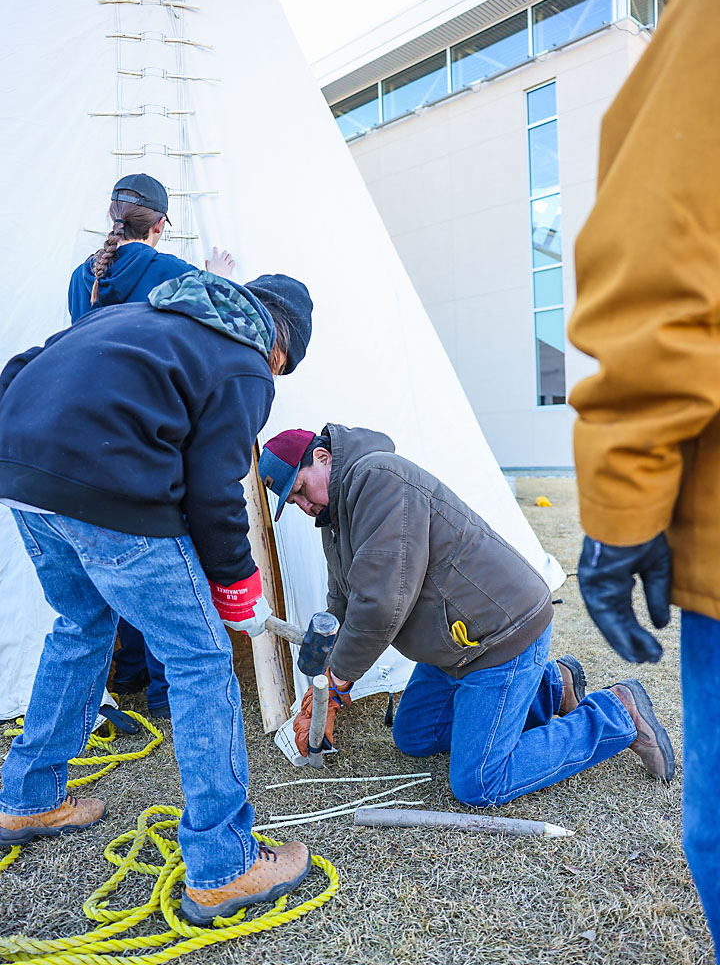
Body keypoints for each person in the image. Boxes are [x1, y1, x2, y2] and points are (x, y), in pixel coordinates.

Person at [0, 267, 313, 926]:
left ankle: (28, 798)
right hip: (111, 492)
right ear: (281, 347)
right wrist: (236, 585)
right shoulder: (246, 364)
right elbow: (213, 491)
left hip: (22, 473)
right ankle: (224, 867)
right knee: (199, 661)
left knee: (81, 625)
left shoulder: (135, 315)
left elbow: (27, 362)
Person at [258, 425, 675, 806]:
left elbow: (381, 603)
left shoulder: (377, 479)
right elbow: (342, 603)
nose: (302, 505)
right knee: (414, 735)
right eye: (292, 501)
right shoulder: (336, 520)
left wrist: (338, 680)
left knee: (479, 781)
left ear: (323, 457)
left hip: (499, 635)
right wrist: (323, 684)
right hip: (454, 647)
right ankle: (551, 685)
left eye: (299, 489)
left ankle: (616, 712)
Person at [566, 0, 720, 964]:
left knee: (479, 766)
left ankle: (604, 719)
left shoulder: (382, 495)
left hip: (481, 629)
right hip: (459, 638)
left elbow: (661, 258)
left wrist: (621, 513)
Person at [68, 172, 234, 717]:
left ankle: (130, 674)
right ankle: (163, 694)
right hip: (152, 437)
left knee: (118, 560)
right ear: (160, 225)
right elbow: (209, 334)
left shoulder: (79, 278)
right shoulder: (172, 272)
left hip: (90, 441)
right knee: (164, 561)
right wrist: (217, 281)